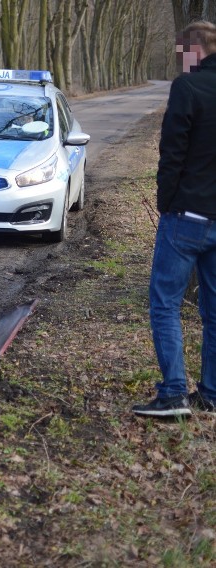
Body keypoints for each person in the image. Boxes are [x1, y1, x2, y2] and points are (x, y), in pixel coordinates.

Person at [133, 20, 216, 417]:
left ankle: (173, 394)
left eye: (182, 54)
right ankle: (211, 393)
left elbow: (172, 153)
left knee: (164, 305)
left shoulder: (188, 87)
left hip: (186, 216)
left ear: (194, 50)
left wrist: (166, 203)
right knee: (214, 311)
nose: (180, 62)